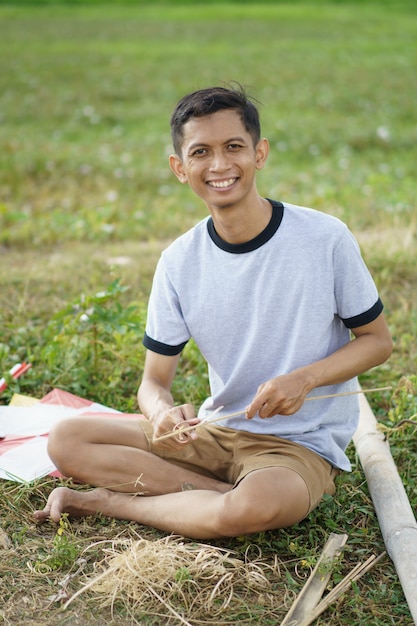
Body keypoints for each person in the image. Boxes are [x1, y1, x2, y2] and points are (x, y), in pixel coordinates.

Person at [34, 85, 392, 539]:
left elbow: (378, 342)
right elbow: (153, 383)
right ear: (180, 168)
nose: (220, 166)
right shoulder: (179, 261)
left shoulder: (325, 239)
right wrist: (162, 412)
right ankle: (215, 496)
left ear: (259, 154)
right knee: (66, 440)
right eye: (201, 152)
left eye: (234, 147)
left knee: (257, 504)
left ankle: (112, 502)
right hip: (214, 434)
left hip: (296, 447)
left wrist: (304, 379)